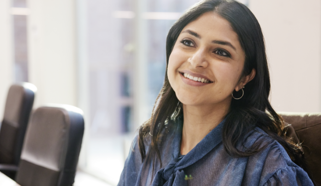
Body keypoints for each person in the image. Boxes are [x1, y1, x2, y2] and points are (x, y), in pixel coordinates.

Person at [118, 0, 314, 185]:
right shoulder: (148, 141)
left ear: (244, 77)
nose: (196, 60)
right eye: (188, 42)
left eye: (220, 52)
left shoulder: (268, 166)